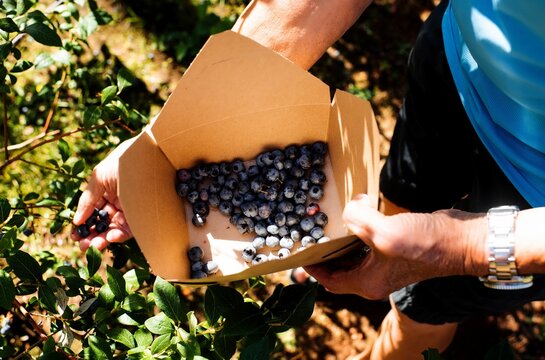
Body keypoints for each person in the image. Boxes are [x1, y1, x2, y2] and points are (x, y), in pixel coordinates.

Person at [72, 0, 545, 358]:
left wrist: (458, 247)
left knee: (424, 303)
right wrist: (162, 139)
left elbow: (454, 249)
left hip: (532, 203)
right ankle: (370, 266)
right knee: (401, 197)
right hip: (458, 64)